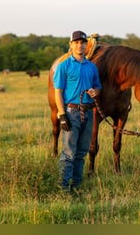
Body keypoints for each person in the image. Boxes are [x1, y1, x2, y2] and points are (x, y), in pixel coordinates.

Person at [53, 30, 102, 192]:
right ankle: (64, 189)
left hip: (88, 112)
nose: (79, 45)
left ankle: (77, 187)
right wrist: (61, 115)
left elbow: (98, 87)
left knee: (81, 152)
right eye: (76, 43)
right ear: (71, 45)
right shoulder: (64, 66)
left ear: (86, 45)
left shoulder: (92, 67)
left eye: (82, 43)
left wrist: (96, 91)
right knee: (69, 153)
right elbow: (58, 92)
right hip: (71, 112)